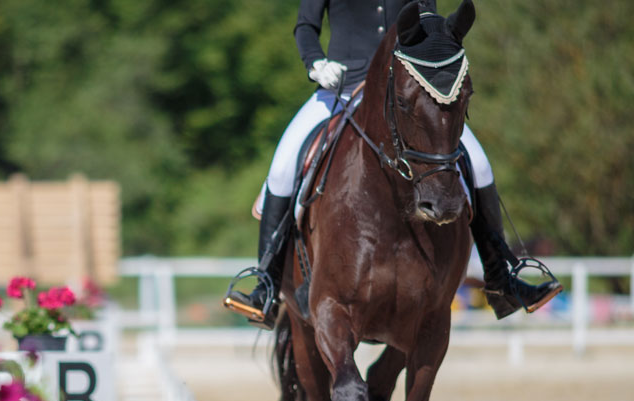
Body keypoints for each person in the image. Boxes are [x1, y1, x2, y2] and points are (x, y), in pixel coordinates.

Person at [224, 0, 562, 329]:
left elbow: (430, 23)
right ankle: (266, 284)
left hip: (405, 88)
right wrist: (315, 63)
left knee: (480, 165)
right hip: (341, 85)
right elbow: (305, 26)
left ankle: (501, 279)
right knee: (283, 167)